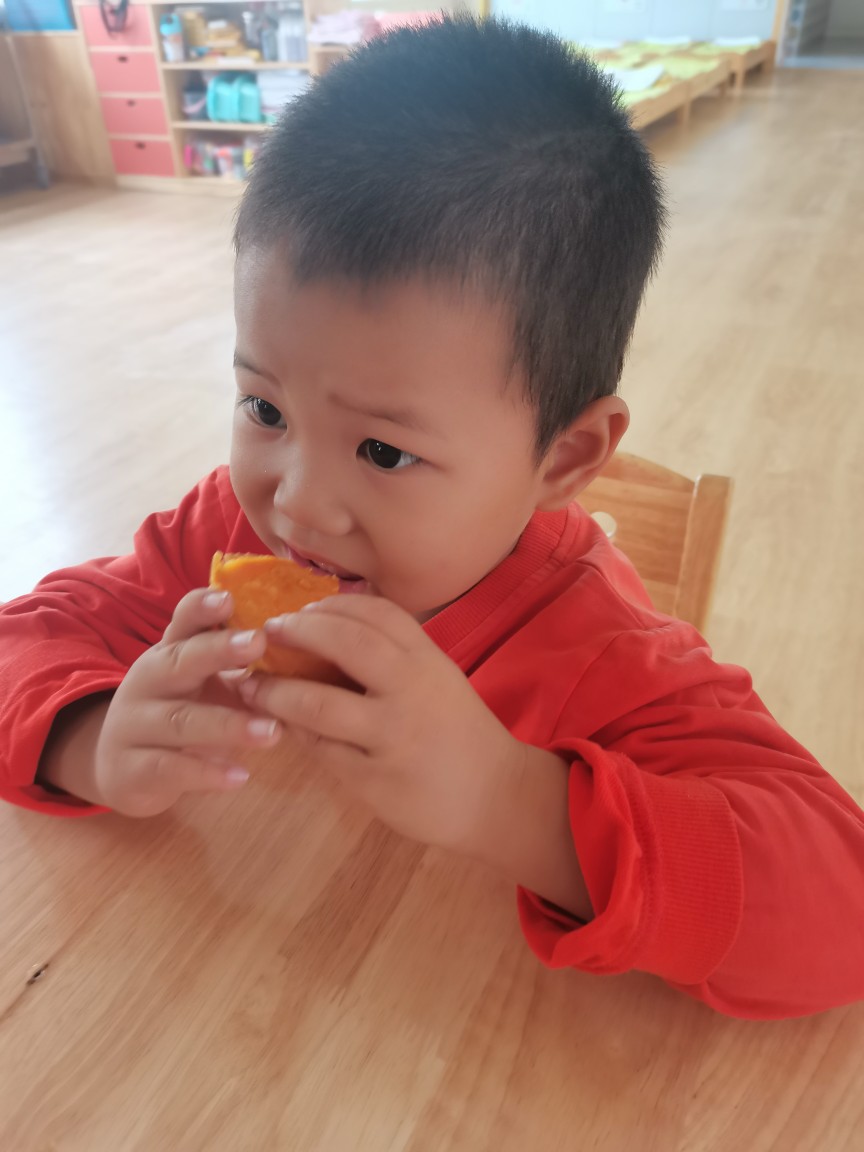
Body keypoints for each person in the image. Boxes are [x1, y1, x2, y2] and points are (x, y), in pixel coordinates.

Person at [1, 17, 862, 1021]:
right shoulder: (226, 532)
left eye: (383, 452)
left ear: (565, 457)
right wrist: (92, 738)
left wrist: (512, 801)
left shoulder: (597, 650)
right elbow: (25, 638)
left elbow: (838, 913)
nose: (296, 501)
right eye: (265, 409)